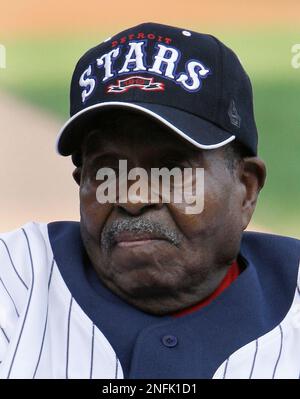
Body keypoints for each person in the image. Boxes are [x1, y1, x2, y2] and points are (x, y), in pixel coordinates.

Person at [0, 22, 299, 380]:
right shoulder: (17, 283)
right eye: (107, 169)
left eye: (172, 169)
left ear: (246, 189)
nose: (133, 197)